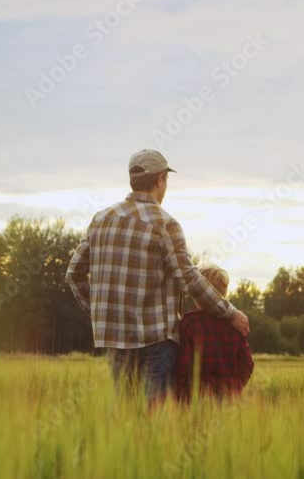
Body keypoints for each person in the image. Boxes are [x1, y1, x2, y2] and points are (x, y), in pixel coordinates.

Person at [65, 149, 250, 404]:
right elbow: (191, 279)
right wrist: (230, 313)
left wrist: (99, 312)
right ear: (161, 179)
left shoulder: (101, 219)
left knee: (126, 418)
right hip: (157, 342)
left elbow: (74, 274)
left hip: (115, 339)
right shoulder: (165, 224)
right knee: (156, 421)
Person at [173, 263, 254, 403]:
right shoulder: (236, 324)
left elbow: (182, 366)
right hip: (228, 399)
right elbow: (247, 363)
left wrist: (182, 395)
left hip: (195, 399)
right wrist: (235, 388)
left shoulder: (189, 323)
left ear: (199, 292)